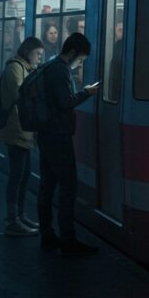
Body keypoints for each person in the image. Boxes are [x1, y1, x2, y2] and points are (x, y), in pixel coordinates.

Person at [36, 33, 100, 256]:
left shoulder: (50, 65)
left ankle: (47, 235)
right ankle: (67, 239)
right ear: (72, 52)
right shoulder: (60, 69)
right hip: (58, 135)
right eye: (80, 59)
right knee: (68, 187)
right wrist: (87, 92)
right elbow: (66, 102)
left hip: (47, 134)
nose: (79, 64)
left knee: (47, 186)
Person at [0, 37, 45, 237]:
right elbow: (20, 95)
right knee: (17, 177)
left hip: (24, 130)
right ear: (27, 51)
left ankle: (20, 215)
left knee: (23, 176)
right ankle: (12, 220)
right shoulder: (15, 68)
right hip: (16, 129)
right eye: (37, 54)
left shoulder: (24, 68)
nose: (39, 58)